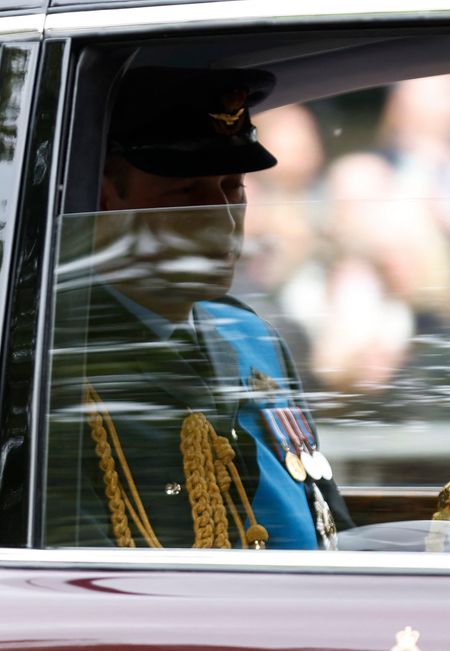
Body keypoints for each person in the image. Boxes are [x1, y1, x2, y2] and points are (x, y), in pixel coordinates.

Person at [48, 66, 353, 550]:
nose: (221, 221)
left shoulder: (252, 339)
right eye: (186, 195)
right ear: (106, 199)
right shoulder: (62, 363)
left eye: (233, 188)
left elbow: (327, 533)